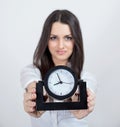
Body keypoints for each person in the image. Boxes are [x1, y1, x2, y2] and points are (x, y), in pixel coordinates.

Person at [20, 9, 97, 127]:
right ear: (46, 40)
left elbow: (87, 91)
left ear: (76, 40)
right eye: (53, 38)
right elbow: (32, 84)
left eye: (68, 38)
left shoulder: (87, 77)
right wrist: (35, 98)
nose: (61, 45)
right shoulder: (32, 71)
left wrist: (83, 101)